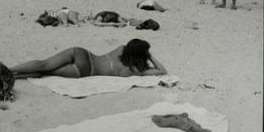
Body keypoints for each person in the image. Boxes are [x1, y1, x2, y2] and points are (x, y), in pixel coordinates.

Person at [9, 39, 167, 78]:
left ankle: (10, 69)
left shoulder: (120, 48)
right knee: (47, 73)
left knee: (44, 64)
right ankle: (15, 74)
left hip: (83, 53)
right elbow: (162, 71)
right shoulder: (134, 70)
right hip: (87, 69)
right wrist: (150, 56)